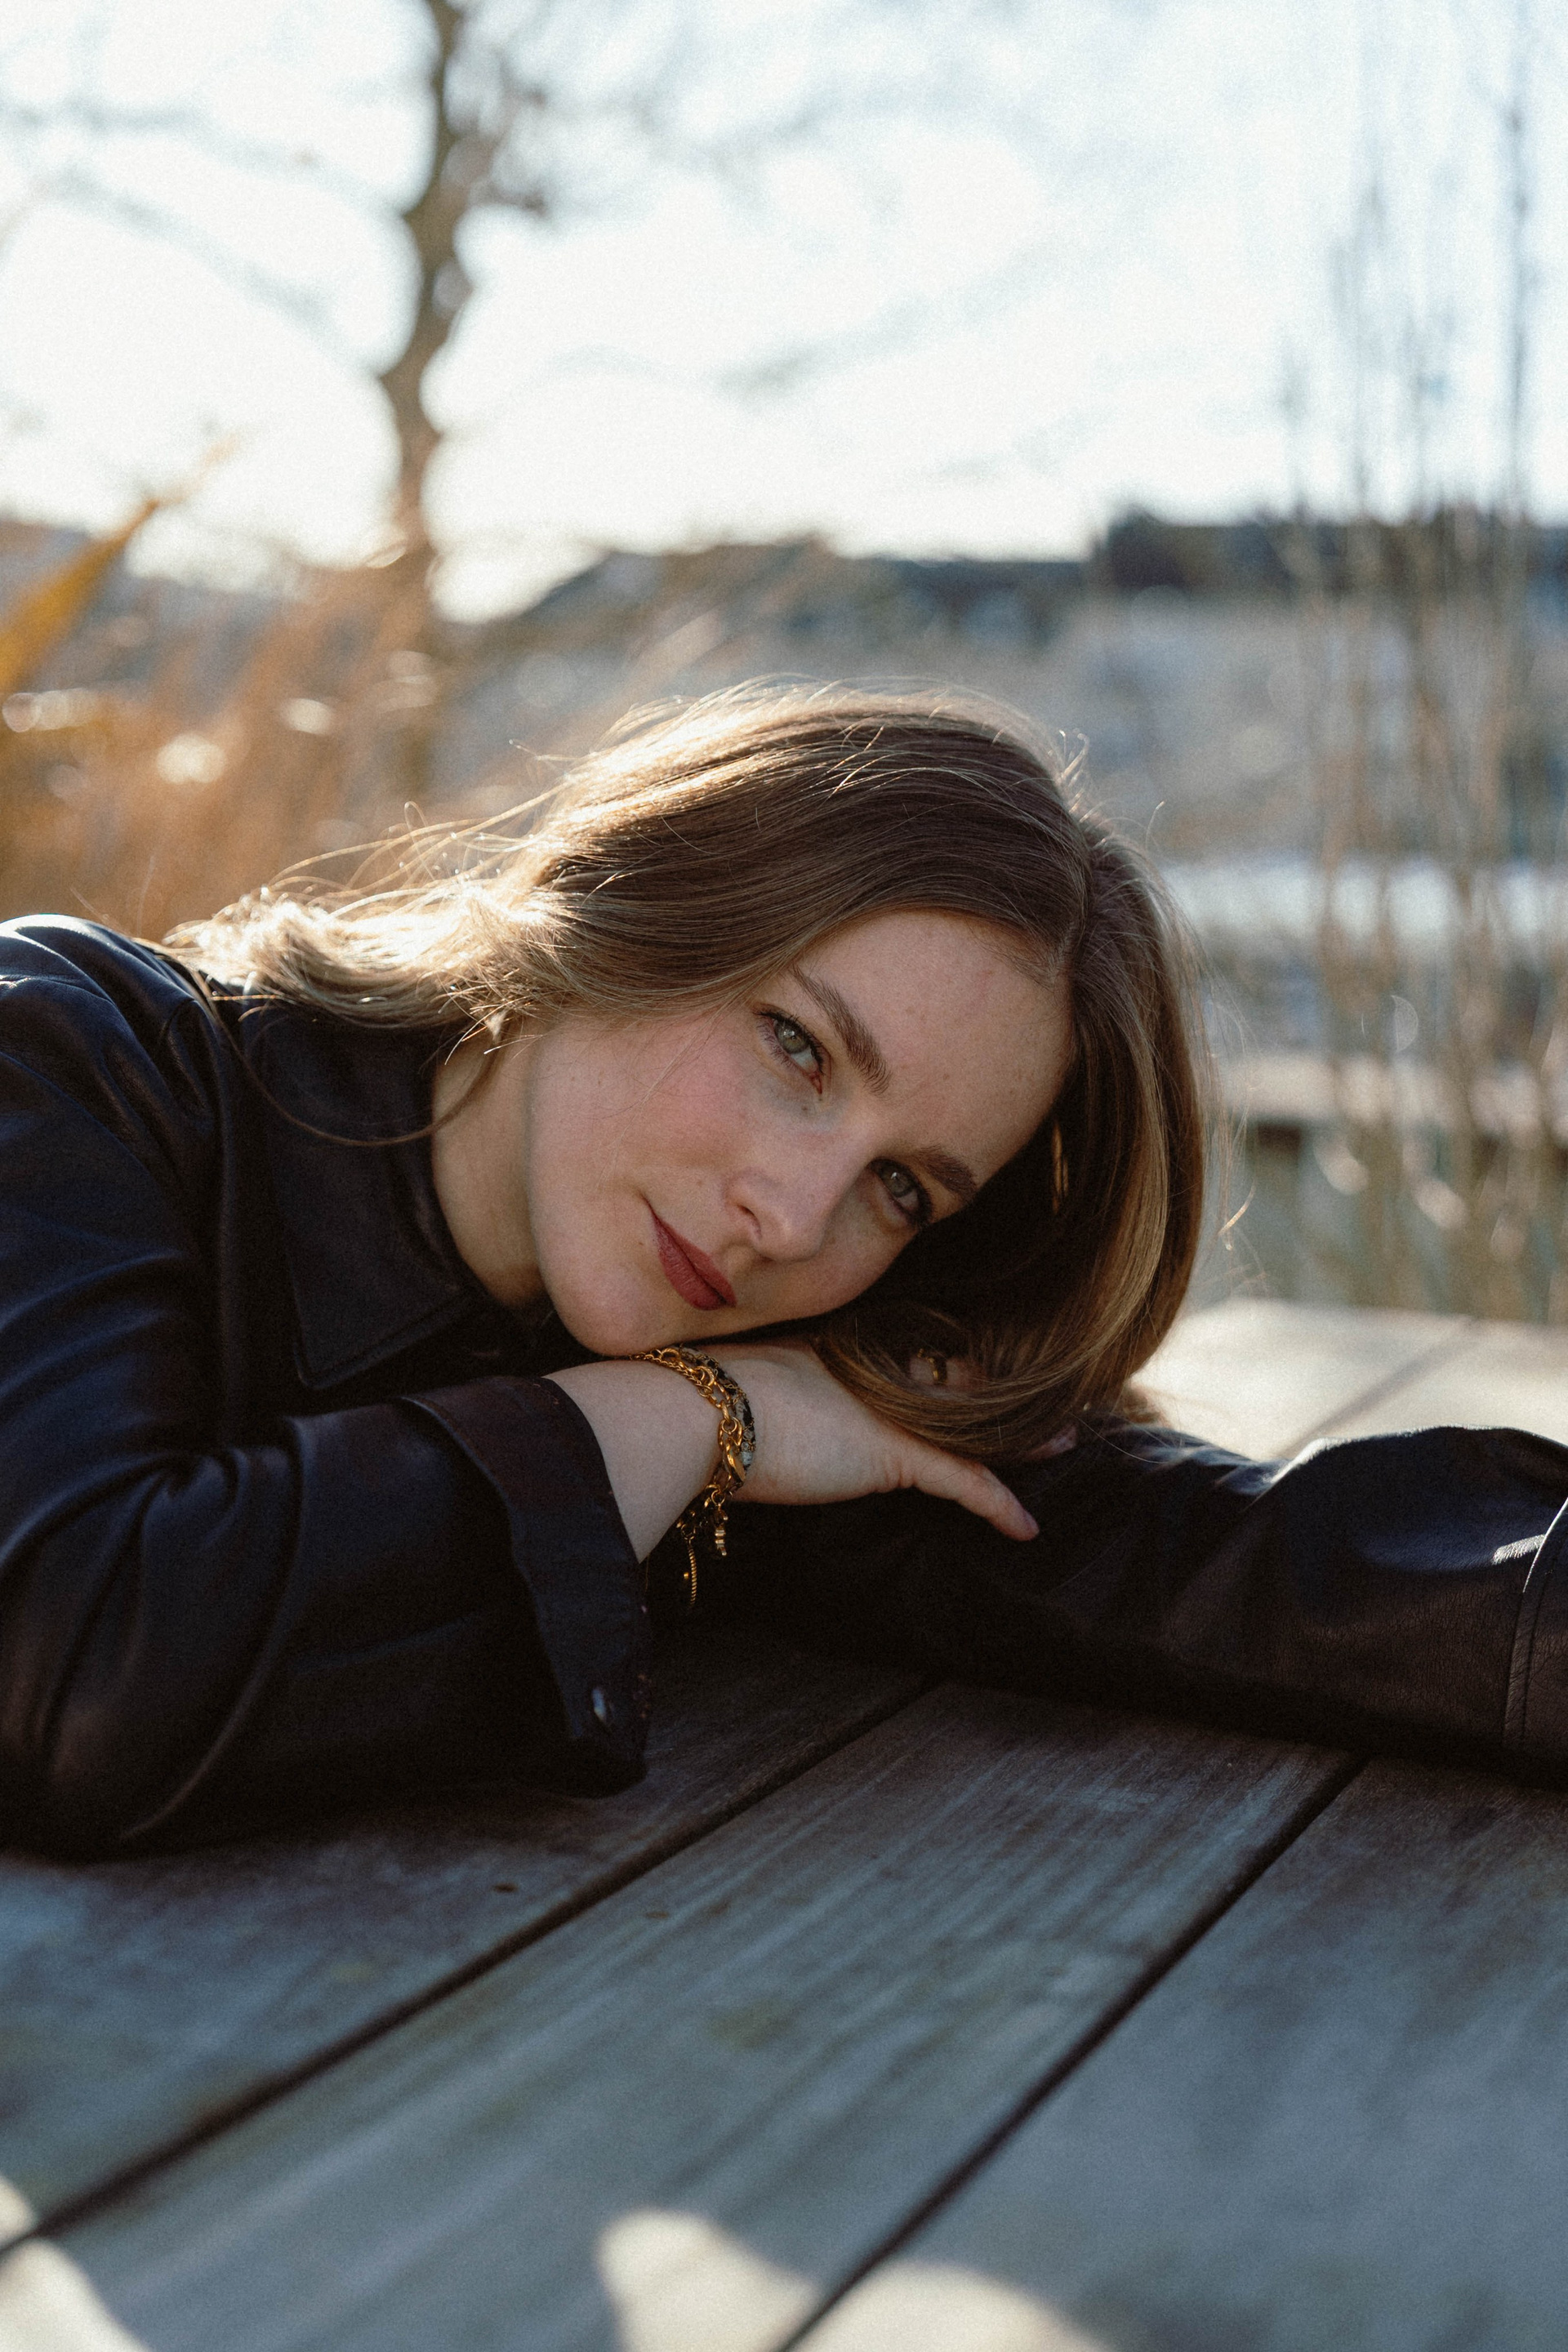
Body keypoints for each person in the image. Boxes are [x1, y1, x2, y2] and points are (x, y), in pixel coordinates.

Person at [1, 688, 1565, 1860]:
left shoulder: (793, 1352)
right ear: (635, 893)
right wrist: (685, 1417)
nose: (795, 1217)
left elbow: (1201, 1571)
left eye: (903, 1186)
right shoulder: (69, 1055)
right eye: (798, 1048)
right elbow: (76, 1670)